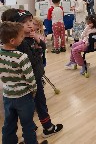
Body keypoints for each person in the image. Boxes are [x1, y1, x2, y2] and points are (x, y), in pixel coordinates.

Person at [1, 8, 63, 138]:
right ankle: (48, 128)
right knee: (39, 103)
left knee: (30, 106)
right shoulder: (22, 43)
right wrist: (38, 52)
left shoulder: (26, 39)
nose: (30, 24)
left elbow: (44, 47)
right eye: (24, 23)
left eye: (30, 20)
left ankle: (31, 128)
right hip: (32, 79)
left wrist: (37, 40)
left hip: (29, 79)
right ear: (15, 27)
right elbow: (34, 61)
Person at [0, 21, 43, 144]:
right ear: (13, 40)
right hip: (23, 96)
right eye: (21, 36)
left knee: (8, 124)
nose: (22, 38)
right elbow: (30, 79)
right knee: (28, 125)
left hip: (8, 95)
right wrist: (33, 91)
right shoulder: (21, 57)